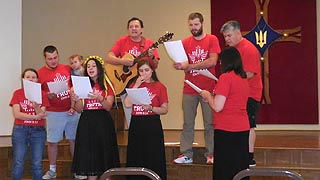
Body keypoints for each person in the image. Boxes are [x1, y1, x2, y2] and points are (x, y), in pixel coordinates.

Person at [173, 12, 221, 165]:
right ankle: (186, 154)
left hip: (208, 88)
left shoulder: (212, 39)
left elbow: (212, 61)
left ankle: (211, 154)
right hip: (189, 88)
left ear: (202, 24)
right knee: (188, 123)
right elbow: (182, 63)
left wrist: (190, 66)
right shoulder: (185, 42)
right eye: (191, 25)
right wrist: (179, 65)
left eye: (196, 24)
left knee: (210, 123)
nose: (193, 28)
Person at [200, 46, 250, 180]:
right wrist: (211, 98)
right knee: (240, 167)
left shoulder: (225, 78)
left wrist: (207, 95)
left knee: (225, 168)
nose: (220, 63)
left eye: (221, 60)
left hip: (227, 128)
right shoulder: (243, 78)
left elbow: (217, 106)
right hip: (242, 127)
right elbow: (230, 100)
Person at [220, 20, 263, 167]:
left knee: (249, 125)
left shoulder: (248, 49)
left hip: (250, 93)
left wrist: (230, 81)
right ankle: (240, 153)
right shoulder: (233, 50)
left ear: (239, 33)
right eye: (225, 36)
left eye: (229, 36)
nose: (227, 39)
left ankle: (249, 157)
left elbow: (249, 73)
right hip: (237, 94)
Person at [71, 56, 120, 180]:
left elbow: (108, 107)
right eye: (88, 66)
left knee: (104, 154)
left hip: (102, 122)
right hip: (87, 122)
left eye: (93, 66)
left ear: (99, 68)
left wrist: (100, 98)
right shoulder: (82, 84)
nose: (91, 68)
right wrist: (75, 100)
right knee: (90, 157)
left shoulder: (107, 84)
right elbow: (79, 109)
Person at [105, 17, 160, 126]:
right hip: (125, 84)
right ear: (128, 29)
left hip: (145, 85)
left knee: (146, 114)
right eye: (131, 27)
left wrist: (152, 56)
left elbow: (155, 65)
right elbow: (108, 58)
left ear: (142, 29)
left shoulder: (149, 43)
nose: (133, 28)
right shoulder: (122, 41)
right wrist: (122, 61)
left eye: (136, 26)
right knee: (131, 118)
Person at [38, 45, 81, 179]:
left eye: (55, 57)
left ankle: (77, 169)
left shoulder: (67, 68)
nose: (53, 61)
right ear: (45, 58)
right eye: (50, 59)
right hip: (53, 112)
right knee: (52, 142)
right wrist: (46, 95)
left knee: (74, 140)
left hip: (71, 110)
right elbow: (38, 92)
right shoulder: (40, 73)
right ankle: (52, 170)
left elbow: (78, 81)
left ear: (58, 55)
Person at [124, 59, 168, 180]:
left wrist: (151, 108)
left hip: (152, 123)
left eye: (147, 70)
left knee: (153, 155)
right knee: (136, 154)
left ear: (152, 70)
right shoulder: (135, 85)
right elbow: (127, 104)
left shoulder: (160, 86)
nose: (144, 73)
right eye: (141, 70)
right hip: (137, 123)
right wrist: (136, 85)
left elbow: (164, 109)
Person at [9, 68, 50, 180]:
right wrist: (35, 117)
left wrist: (36, 106)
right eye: (28, 77)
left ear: (37, 80)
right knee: (18, 161)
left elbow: (41, 113)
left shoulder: (42, 94)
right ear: (23, 79)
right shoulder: (17, 93)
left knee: (37, 163)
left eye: (33, 77)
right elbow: (17, 114)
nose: (31, 79)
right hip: (20, 130)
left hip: (38, 131)